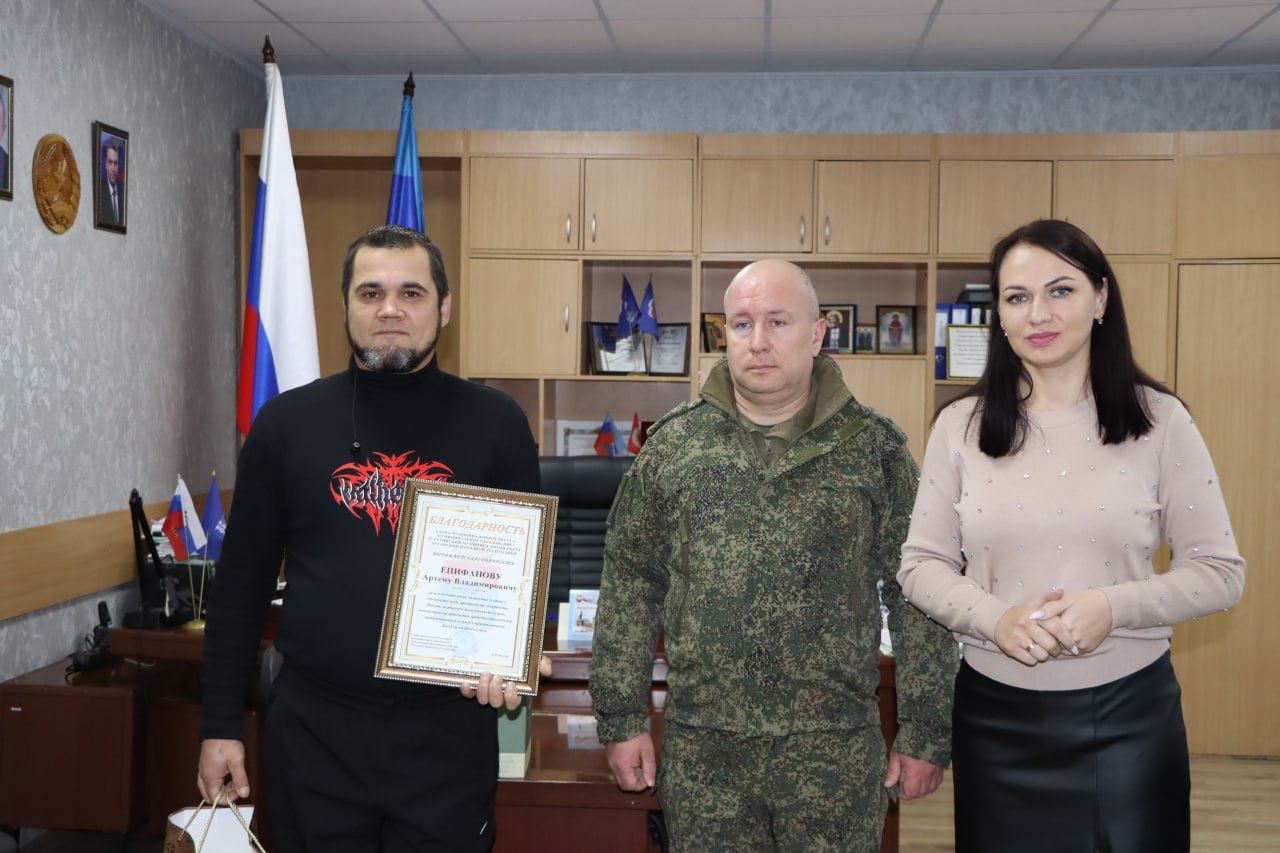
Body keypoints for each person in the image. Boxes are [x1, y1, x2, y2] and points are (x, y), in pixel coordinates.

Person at [898, 219, 1246, 852]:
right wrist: (995, 619)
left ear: (1101, 297)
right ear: (999, 314)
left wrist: (1112, 606)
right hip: (994, 718)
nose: (1039, 313)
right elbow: (921, 564)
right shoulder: (959, 426)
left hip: (1128, 721)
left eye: (1061, 290)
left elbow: (1220, 573)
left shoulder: (1161, 421)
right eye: (1017, 296)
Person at [589, 259, 957, 851]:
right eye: (741, 324)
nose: (757, 341)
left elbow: (919, 590)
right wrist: (622, 719)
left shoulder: (874, 450)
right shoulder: (675, 446)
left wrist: (925, 730)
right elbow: (631, 583)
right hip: (705, 752)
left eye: (778, 322)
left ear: (817, 334)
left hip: (833, 752)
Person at [199, 225, 545, 852]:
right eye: (370, 293)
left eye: (411, 292)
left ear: (444, 308)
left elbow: (523, 584)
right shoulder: (285, 425)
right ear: (346, 307)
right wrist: (220, 723)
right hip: (315, 742)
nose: (390, 309)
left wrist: (512, 657)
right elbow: (240, 588)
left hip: (447, 742)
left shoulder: (498, 424)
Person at [98, 140, 123, 225]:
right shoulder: (99, 190)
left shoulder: (123, 189)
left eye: (115, 163)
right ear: (106, 164)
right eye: (110, 162)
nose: (113, 169)